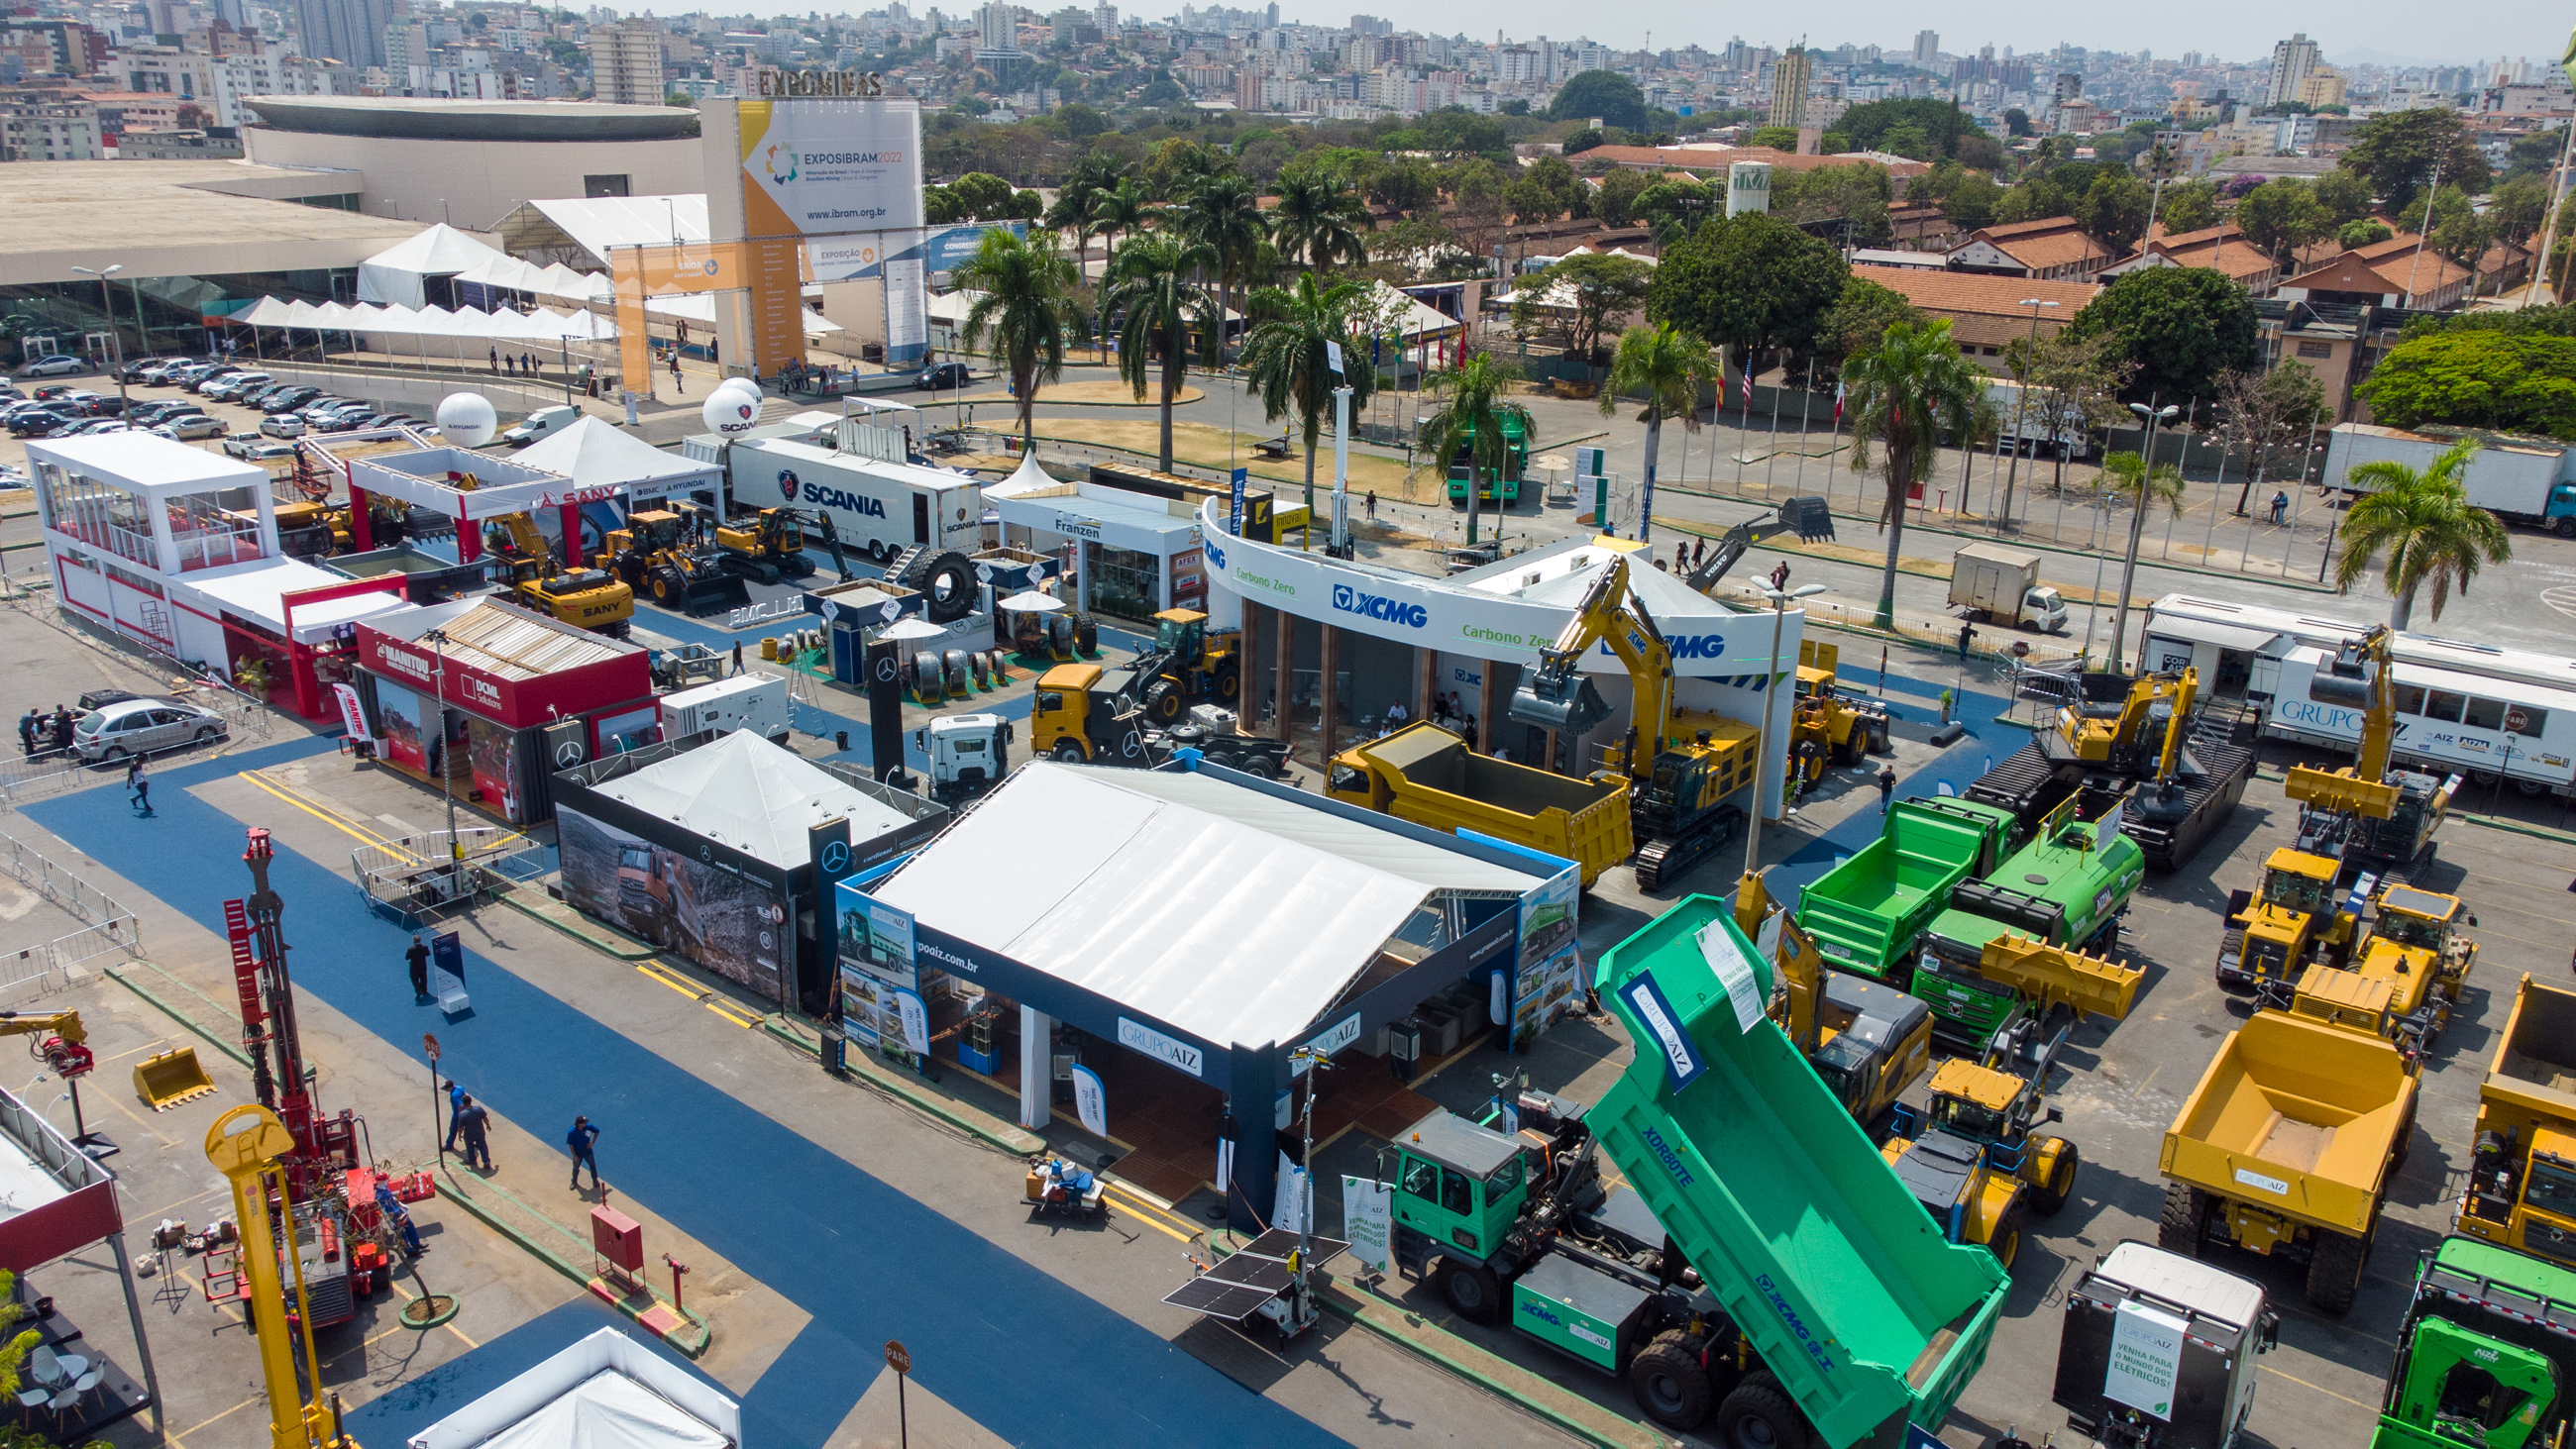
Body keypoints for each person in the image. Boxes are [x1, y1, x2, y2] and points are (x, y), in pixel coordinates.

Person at [455, 1094, 491, 1171]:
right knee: (482, 1146)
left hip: (469, 1134)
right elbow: (485, 1118)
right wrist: (488, 1125)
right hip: (480, 1131)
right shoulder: (478, 1109)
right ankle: (486, 1162)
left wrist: (459, 1135)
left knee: (469, 1147)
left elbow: (460, 1127)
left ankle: (472, 1160)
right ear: (471, 1102)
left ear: (464, 1104)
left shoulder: (462, 1114)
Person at [567, 1115, 601, 1191]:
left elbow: (597, 1131)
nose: (586, 1124)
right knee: (576, 1168)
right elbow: (571, 1145)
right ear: (579, 1124)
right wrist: (574, 1156)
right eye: (584, 1123)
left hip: (588, 1151)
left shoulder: (588, 1127)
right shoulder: (572, 1132)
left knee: (592, 1165)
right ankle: (574, 1181)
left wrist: (593, 1142)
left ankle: (595, 1180)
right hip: (578, 1154)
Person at [445, 1079, 469, 1154]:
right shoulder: (459, 1087)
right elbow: (465, 1097)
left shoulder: (453, 1096)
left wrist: (460, 1116)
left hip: (457, 1116)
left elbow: (460, 1106)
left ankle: (449, 1145)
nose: (445, 1090)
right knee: (470, 1128)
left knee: (453, 1129)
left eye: (446, 1088)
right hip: (466, 1111)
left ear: (450, 1087)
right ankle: (476, 1142)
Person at [406, 934, 431, 999]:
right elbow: (428, 954)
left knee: (414, 979)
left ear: (413, 941)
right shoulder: (425, 947)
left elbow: (407, 958)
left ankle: (418, 990)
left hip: (414, 967)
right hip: (422, 965)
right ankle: (424, 990)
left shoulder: (410, 949)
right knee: (423, 978)